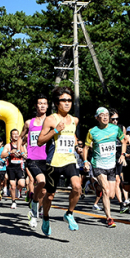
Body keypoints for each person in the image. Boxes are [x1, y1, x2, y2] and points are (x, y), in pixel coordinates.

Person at [37, 86, 81, 236]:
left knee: (77, 186)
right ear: (57, 103)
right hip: (53, 163)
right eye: (64, 100)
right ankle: (46, 217)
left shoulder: (74, 120)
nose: (67, 103)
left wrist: (78, 146)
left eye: (70, 100)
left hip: (69, 160)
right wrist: (55, 130)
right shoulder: (51, 119)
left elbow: (72, 137)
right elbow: (40, 141)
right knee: (49, 195)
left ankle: (69, 213)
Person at [83, 107, 127, 228]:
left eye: (107, 114)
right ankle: (109, 218)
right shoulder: (92, 131)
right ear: (97, 118)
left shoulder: (115, 129)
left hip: (111, 165)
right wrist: (86, 161)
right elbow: (86, 148)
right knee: (106, 191)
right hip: (99, 164)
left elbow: (124, 141)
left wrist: (123, 155)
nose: (105, 116)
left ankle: (95, 186)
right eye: (102, 115)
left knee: (111, 195)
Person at [18, 93, 48, 228]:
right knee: (41, 181)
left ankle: (34, 209)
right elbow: (20, 137)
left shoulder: (52, 121)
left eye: (45, 103)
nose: (42, 105)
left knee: (44, 191)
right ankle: (34, 209)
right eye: (40, 103)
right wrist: (21, 151)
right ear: (36, 106)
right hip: (32, 159)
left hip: (48, 159)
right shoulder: (29, 123)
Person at [1, 129, 26, 209]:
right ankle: (13, 201)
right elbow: (2, 155)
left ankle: (16, 189)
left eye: (17, 134)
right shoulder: (8, 145)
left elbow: (26, 153)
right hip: (11, 167)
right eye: (14, 134)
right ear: (11, 136)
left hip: (19, 166)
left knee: (22, 184)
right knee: (12, 185)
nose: (15, 135)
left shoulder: (22, 145)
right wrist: (10, 152)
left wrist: (24, 155)